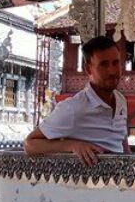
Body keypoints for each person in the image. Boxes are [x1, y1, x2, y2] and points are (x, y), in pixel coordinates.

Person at [25, 36, 129, 166]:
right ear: (88, 69)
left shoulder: (120, 100)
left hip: (122, 182)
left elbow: (121, 140)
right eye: (104, 64)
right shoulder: (73, 108)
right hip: (89, 184)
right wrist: (73, 146)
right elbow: (30, 144)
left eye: (116, 62)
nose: (112, 71)